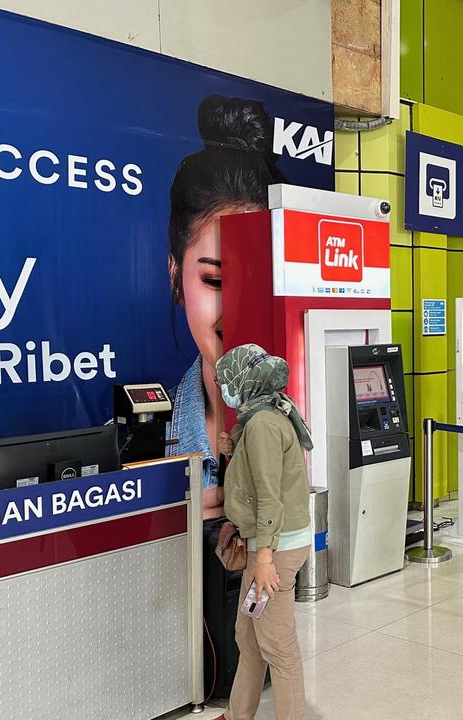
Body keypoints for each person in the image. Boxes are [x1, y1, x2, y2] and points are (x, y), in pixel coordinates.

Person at [165, 95, 286, 520]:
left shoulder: (301, 418)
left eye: (256, 282)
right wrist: (168, 523)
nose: (235, 310)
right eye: (214, 280)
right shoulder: (139, 448)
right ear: (176, 275)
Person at [217, 344, 314, 720]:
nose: (225, 387)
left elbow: (269, 497)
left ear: (245, 380)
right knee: (249, 637)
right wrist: (234, 445)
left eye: (228, 380)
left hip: (275, 549)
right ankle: (237, 714)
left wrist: (262, 559)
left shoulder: (260, 425)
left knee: (277, 647)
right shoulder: (268, 411)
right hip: (271, 544)